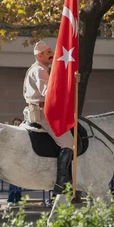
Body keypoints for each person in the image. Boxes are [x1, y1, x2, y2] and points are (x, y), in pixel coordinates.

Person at [23, 40, 79, 195]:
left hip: (40, 111)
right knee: (68, 143)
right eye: (48, 52)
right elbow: (48, 92)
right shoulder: (40, 70)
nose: (52, 54)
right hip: (42, 114)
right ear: (39, 55)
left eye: (51, 52)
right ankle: (61, 184)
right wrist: (69, 82)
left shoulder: (41, 69)